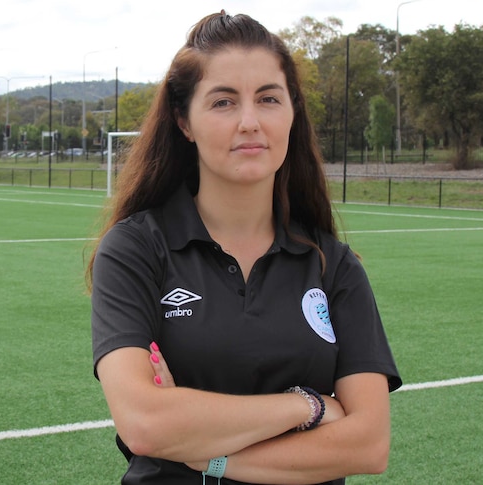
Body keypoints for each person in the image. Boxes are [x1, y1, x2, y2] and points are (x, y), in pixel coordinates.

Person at [87, 11, 402, 485]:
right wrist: (309, 405)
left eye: (268, 99)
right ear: (184, 122)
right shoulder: (135, 250)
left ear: (292, 114)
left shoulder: (332, 264)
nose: (250, 122)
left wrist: (209, 459)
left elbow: (369, 443)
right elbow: (145, 424)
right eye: (223, 102)